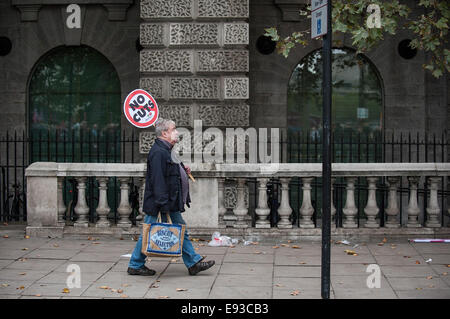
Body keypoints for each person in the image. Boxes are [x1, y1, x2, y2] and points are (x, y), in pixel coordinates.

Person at [127, 118, 215, 276]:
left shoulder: (167, 149)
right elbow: (158, 179)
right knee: (148, 232)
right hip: (161, 202)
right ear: (164, 133)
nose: (177, 132)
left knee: (180, 229)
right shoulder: (158, 152)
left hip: (168, 200)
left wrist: (182, 170)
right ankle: (135, 264)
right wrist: (163, 203)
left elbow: (169, 172)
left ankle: (193, 262)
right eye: (174, 129)